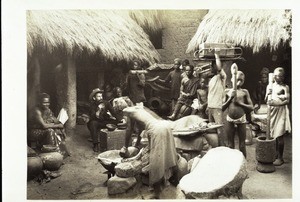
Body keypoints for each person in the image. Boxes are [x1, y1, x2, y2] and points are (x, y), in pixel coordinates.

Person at [122, 106, 178, 199]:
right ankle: (175, 181)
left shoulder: (128, 112)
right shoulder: (139, 108)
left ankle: (157, 193)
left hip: (156, 129)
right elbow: (142, 128)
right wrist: (137, 144)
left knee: (156, 161)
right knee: (170, 154)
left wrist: (125, 147)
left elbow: (129, 130)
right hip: (164, 125)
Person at [222, 67, 253, 158]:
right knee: (230, 144)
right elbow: (222, 108)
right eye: (237, 80)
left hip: (241, 119)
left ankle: (243, 164)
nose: (239, 82)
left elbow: (251, 107)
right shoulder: (227, 91)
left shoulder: (245, 92)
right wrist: (230, 98)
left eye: (241, 80)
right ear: (232, 79)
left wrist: (240, 103)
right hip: (229, 119)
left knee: (242, 145)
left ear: (244, 81)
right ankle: (232, 163)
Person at [28, 93, 69, 157]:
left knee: (58, 129)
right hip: (33, 132)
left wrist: (63, 113)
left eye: (48, 102)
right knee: (50, 131)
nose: (46, 104)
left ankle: (60, 151)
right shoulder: (37, 111)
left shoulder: (47, 110)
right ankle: (53, 153)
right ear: (40, 102)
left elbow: (54, 120)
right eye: (44, 102)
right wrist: (58, 125)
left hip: (42, 130)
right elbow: (44, 125)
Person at [266, 67, 291, 166]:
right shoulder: (270, 86)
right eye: (276, 76)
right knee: (273, 135)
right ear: (273, 76)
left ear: (283, 77)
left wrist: (276, 103)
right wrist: (268, 94)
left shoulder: (285, 87)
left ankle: (280, 158)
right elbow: (267, 100)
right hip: (272, 112)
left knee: (279, 135)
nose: (278, 78)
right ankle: (275, 155)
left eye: (281, 76)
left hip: (281, 112)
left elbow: (287, 101)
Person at [87, 88, 122, 152]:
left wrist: (120, 120)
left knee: (117, 121)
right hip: (96, 122)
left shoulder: (106, 103)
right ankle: (95, 144)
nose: (101, 98)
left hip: (104, 122)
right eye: (98, 96)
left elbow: (113, 112)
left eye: (101, 96)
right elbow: (92, 117)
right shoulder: (92, 105)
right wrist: (98, 110)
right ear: (94, 98)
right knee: (93, 123)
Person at [206, 49, 227, 146]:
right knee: (211, 130)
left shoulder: (221, 76)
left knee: (219, 130)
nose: (210, 67)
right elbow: (210, 94)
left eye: (212, 65)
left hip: (217, 107)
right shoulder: (213, 78)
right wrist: (208, 106)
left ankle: (222, 147)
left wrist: (216, 55)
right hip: (211, 107)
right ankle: (215, 147)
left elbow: (219, 67)